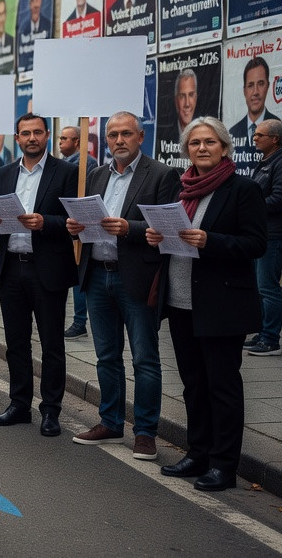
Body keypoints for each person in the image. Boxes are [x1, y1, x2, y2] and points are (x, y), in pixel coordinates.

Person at [147, 117, 264, 491]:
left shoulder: (242, 189)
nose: (201, 148)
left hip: (221, 305)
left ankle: (224, 465)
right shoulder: (183, 190)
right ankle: (198, 453)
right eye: (195, 143)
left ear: (225, 147)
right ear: (187, 151)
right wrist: (156, 236)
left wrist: (209, 240)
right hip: (181, 302)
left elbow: (255, 244)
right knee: (193, 384)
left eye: (209, 142)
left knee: (222, 387)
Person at [65, 111, 180, 460]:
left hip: (137, 276)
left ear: (140, 137)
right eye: (113, 134)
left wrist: (129, 228)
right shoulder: (96, 175)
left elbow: (168, 224)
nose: (119, 141)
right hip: (97, 274)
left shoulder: (161, 174)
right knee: (106, 356)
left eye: (126, 134)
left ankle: (145, 432)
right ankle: (111, 421)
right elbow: (89, 218)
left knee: (145, 358)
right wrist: (76, 228)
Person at [0, 114, 77, 437]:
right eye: (25, 133)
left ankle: (50, 410)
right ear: (17, 138)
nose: (32, 138)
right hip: (11, 266)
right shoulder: (6, 172)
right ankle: (19, 404)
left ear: (47, 135)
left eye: (37, 132)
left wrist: (45, 223)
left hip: (47, 267)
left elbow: (74, 221)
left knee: (51, 344)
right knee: (16, 343)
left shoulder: (66, 172)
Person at [245, 119, 282, 356]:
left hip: (274, 234)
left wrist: (250, 207)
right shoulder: (268, 159)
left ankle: (270, 340)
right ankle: (262, 332)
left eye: (259, 135)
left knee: (267, 287)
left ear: (275, 139)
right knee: (259, 286)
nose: (254, 138)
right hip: (261, 233)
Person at [59, 125, 98, 340]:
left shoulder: (84, 163)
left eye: (66, 138)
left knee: (78, 274)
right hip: (67, 224)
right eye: (60, 138)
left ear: (77, 143)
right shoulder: (65, 162)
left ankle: (79, 321)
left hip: (80, 224)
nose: (61, 142)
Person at [228, 57, 281, 146]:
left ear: (267, 86)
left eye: (260, 84)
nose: (255, 92)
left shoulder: (280, 130)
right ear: (244, 91)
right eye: (250, 85)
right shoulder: (233, 133)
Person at [174, 68, 198, 137]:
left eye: (191, 95)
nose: (187, 104)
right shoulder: (164, 135)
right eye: (182, 96)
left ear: (195, 99)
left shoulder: (206, 132)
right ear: (176, 101)